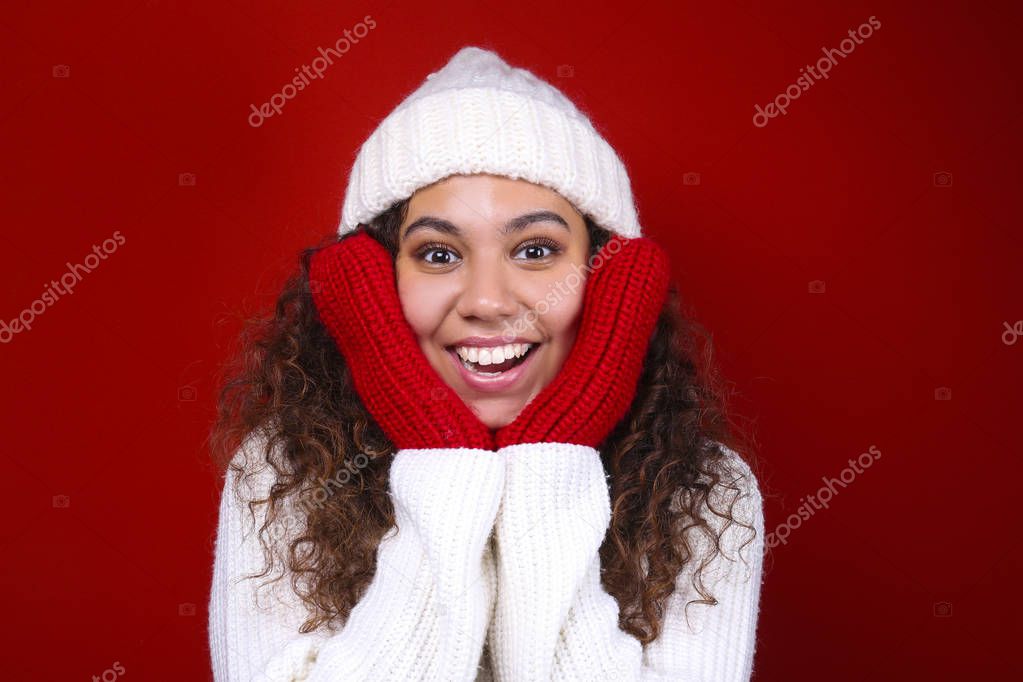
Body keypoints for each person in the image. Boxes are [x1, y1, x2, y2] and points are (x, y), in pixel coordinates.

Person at [207, 45, 766, 681]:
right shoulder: (283, 474)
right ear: (371, 286)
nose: (487, 302)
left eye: (535, 249)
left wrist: (552, 452)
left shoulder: (708, 491)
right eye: (438, 255)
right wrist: (439, 450)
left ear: (612, 284)